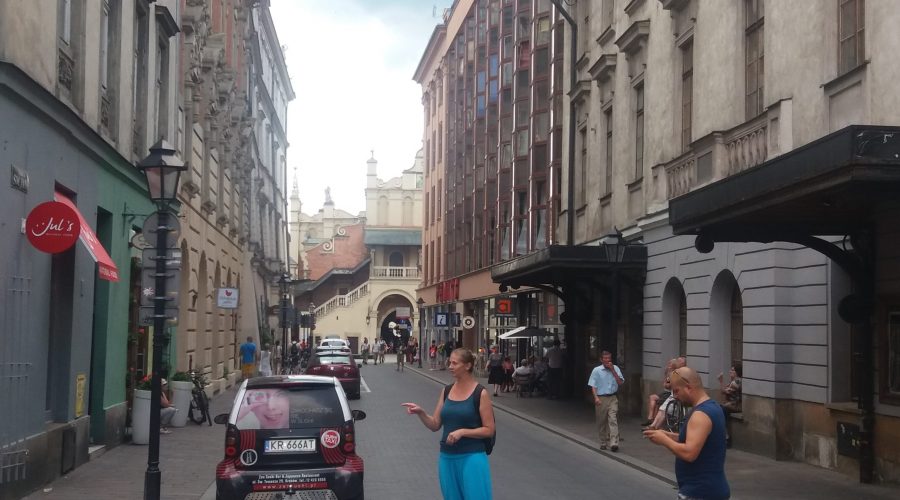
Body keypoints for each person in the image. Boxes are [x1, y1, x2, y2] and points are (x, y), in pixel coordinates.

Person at [402, 348, 495, 500]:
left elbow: (489, 430)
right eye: (449, 362)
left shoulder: (480, 393)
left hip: (472, 457)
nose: (450, 366)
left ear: (467, 366)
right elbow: (435, 425)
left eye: (454, 363)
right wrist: (421, 412)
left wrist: (462, 432)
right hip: (447, 457)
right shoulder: (446, 391)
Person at [644, 367, 730, 500]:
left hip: (700, 492)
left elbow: (689, 453)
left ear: (689, 387)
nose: (675, 395)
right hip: (710, 489)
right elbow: (698, 440)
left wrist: (664, 440)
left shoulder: (700, 415)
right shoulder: (713, 407)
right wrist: (668, 435)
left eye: (676, 390)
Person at [587, 350, 624, 451]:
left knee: (613, 419)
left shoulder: (615, 368)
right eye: (606, 358)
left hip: (612, 397)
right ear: (601, 360)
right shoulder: (596, 370)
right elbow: (593, 385)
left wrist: (613, 370)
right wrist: (596, 398)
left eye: (609, 358)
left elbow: (620, 382)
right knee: (601, 421)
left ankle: (614, 443)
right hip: (601, 397)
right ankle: (603, 441)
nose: (608, 360)